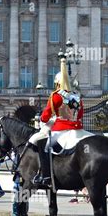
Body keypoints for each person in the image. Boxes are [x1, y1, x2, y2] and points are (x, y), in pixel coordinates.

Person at [27, 57, 84, 188]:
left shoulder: (56, 96)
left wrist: (42, 120)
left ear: (57, 83)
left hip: (61, 130)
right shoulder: (77, 96)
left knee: (43, 145)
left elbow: (45, 116)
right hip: (79, 130)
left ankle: (46, 176)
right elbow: (80, 115)